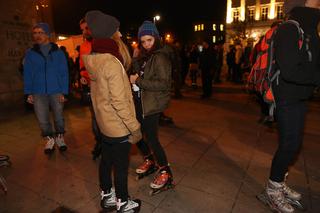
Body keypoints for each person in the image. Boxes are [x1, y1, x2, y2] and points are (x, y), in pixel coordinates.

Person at [262, 1, 320, 212]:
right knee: (289, 145)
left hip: (300, 96)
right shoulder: (289, 29)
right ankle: (273, 188)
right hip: (286, 96)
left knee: (293, 145)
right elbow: (289, 70)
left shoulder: (310, 30)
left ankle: (279, 181)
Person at [83, 10, 142, 212]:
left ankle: (107, 195)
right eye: (117, 30)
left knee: (106, 161)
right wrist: (134, 127)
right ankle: (123, 202)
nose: (120, 33)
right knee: (121, 167)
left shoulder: (94, 57)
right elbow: (119, 102)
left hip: (104, 124)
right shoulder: (111, 62)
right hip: (118, 125)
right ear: (111, 33)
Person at [129, 21, 174, 193]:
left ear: (156, 38)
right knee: (138, 134)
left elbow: (163, 84)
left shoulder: (160, 56)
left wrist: (138, 81)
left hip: (152, 105)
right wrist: (134, 59)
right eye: (143, 41)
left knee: (152, 139)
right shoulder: (147, 56)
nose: (146, 44)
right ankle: (149, 160)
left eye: (149, 40)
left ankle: (166, 171)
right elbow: (138, 73)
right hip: (142, 102)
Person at [23, 23, 68, 154]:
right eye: (35, 33)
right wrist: (28, 92)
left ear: (47, 34)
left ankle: (60, 137)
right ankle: (49, 139)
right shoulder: (30, 54)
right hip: (38, 91)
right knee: (42, 119)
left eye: (41, 32)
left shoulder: (58, 52)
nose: (37, 35)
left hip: (56, 90)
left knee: (59, 117)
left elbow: (64, 72)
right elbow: (27, 73)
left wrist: (64, 91)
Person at [79, 18, 102, 160]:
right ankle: (99, 142)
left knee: (106, 118)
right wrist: (83, 76)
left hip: (105, 87)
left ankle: (107, 144)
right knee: (95, 119)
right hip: (91, 87)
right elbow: (82, 65)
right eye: (82, 30)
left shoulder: (104, 43)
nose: (84, 32)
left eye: (86, 28)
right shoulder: (83, 46)